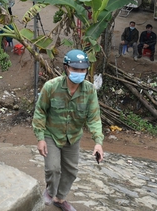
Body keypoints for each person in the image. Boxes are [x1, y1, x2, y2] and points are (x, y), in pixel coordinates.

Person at [33, 49, 104, 211]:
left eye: (83, 70)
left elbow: (94, 118)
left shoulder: (89, 91)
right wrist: (40, 138)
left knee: (71, 171)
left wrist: (98, 142)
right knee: (53, 168)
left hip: (73, 136)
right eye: (75, 69)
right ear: (66, 68)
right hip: (51, 134)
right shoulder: (51, 87)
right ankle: (50, 191)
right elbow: (40, 112)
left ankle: (60, 198)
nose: (79, 73)